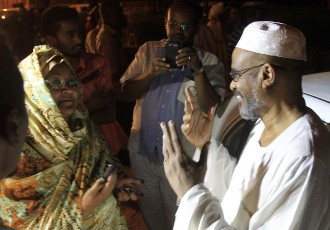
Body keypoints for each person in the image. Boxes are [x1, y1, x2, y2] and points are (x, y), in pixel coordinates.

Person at [161, 21, 330, 229]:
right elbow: (241, 193)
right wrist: (207, 146)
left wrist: (191, 193)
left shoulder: (304, 159)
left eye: (236, 75)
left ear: (267, 75)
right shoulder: (264, 123)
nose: (232, 84)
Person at [0, 45, 142, 229]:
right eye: (55, 82)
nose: (67, 89)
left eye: (72, 82)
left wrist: (114, 185)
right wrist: (81, 208)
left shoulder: (81, 125)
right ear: (34, 89)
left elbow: (104, 164)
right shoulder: (14, 145)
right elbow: (19, 221)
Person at [120, 1, 227, 229]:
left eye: (186, 26)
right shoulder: (148, 51)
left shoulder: (208, 62)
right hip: (143, 151)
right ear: (165, 23)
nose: (179, 30)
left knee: (178, 218)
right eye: (174, 24)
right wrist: (150, 75)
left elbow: (213, 108)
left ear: (197, 29)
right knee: (150, 213)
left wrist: (198, 71)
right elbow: (124, 92)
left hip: (182, 157)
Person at [40, 5, 127, 155]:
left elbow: (108, 114)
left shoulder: (98, 63)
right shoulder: (40, 76)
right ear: (51, 40)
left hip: (108, 148)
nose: (78, 39)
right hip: (72, 156)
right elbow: (52, 127)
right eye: (70, 34)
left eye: (79, 32)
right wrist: (88, 107)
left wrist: (70, 116)